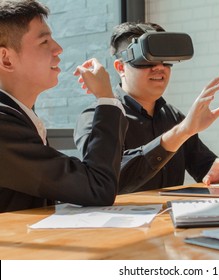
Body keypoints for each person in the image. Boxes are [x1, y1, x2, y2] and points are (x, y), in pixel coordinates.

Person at [74, 22, 219, 194]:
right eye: (145, 60)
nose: (159, 67)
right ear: (120, 67)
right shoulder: (97, 117)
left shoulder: (173, 117)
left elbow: (204, 165)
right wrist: (180, 133)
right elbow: (105, 178)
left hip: (170, 217)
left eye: (165, 60)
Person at [0, 0, 129, 212]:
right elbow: (97, 188)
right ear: (6, 59)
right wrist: (107, 98)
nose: (58, 49)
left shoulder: (20, 117)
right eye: (44, 42)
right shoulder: (4, 125)